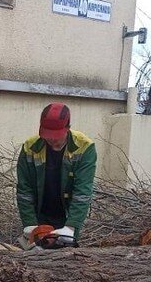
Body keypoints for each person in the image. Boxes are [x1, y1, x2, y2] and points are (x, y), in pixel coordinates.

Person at [16, 102, 97, 246]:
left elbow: (82, 192)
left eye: (56, 136)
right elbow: (24, 190)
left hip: (67, 214)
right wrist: (30, 224)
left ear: (68, 128)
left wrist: (71, 227)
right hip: (39, 212)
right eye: (48, 136)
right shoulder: (30, 147)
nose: (52, 140)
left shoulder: (84, 147)